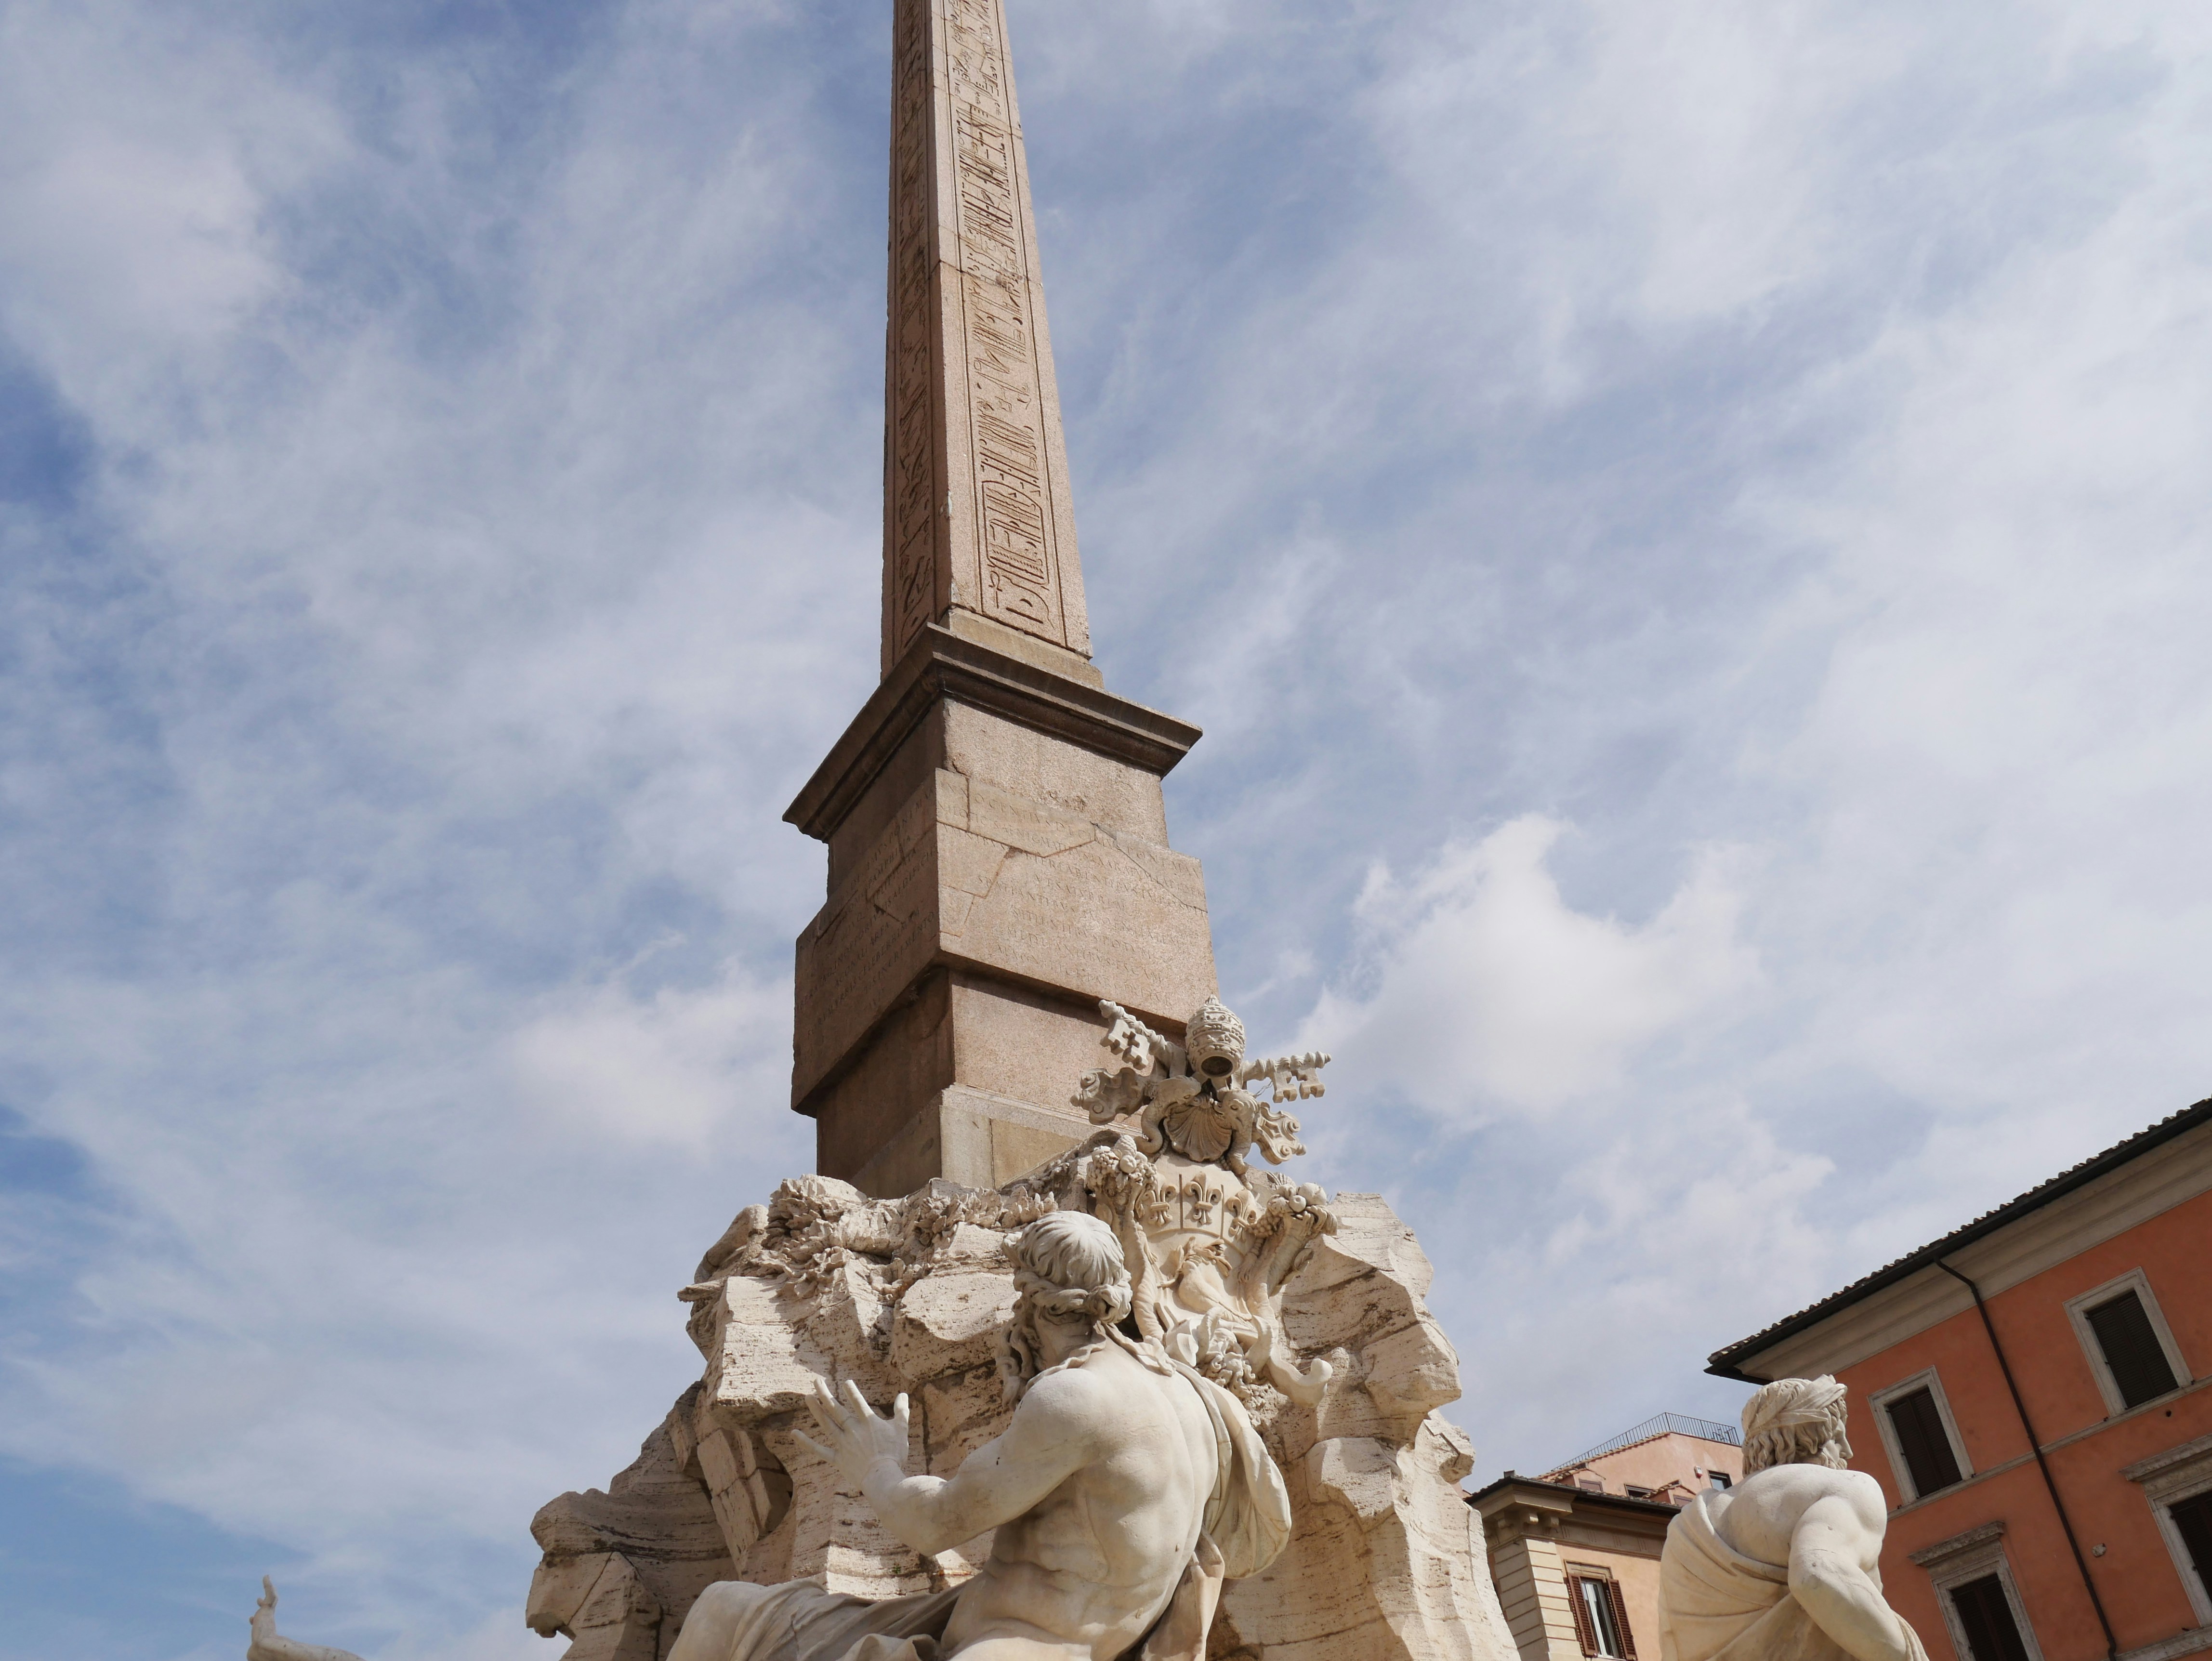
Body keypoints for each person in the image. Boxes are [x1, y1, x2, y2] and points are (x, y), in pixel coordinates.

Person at [670, 1211, 1291, 1661]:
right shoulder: (1189, 1394)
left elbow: (935, 1525)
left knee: (726, 1618)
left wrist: (877, 1465)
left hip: (1025, 1648)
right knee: (725, 1607)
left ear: (1031, 1300)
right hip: (978, 1621)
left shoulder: (1075, 1398)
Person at [1659, 1377, 1928, 1661]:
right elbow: (1817, 1573)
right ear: (1812, 1438)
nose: (1847, 1450)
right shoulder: (1844, 1487)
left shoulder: (1687, 1525)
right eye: (1837, 1437)